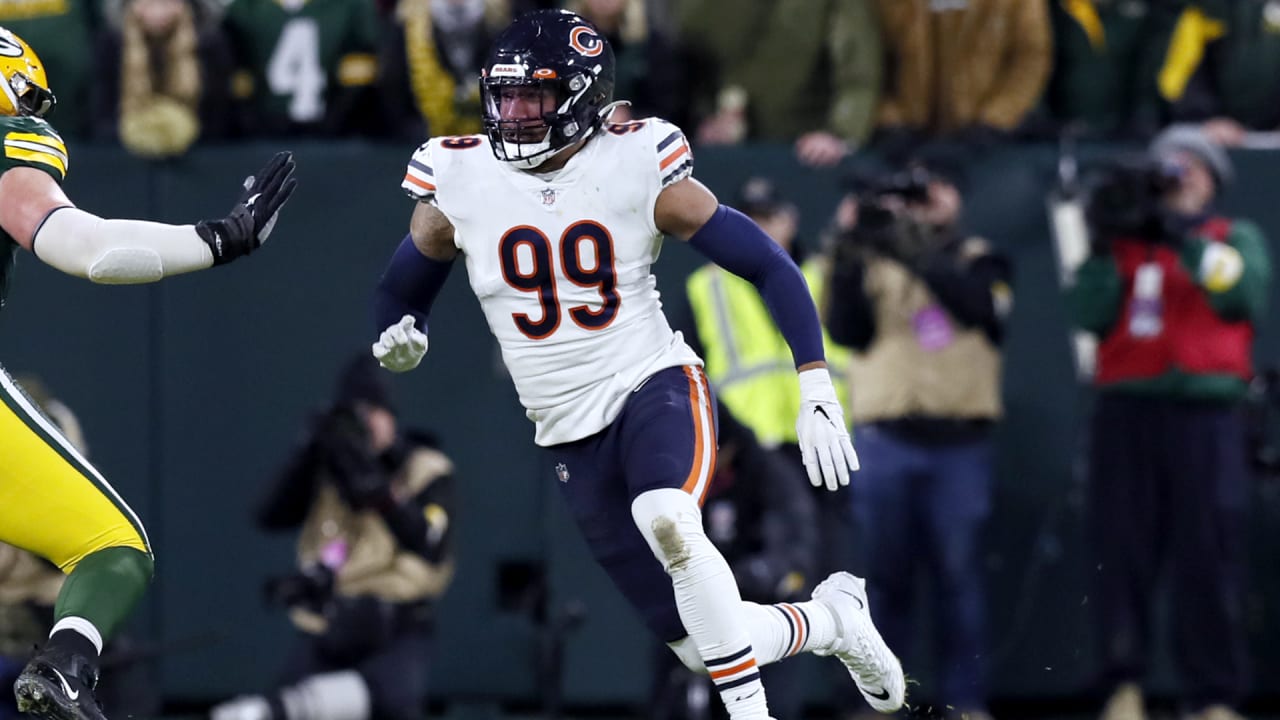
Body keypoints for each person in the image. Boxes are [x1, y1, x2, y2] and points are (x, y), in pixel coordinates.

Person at [371, 10, 904, 720]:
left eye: (535, 99)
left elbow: (768, 264)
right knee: (701, 642)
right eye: (505, 98)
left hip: (651, 384)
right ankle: (834, 621)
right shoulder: (460, 176)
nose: (515, 117)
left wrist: (815, 383)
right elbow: (399, 288)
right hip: (565, 429)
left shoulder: (637, 161)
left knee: (668, 517)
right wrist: (401, 331)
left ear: (584, 97)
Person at [0, 25, 297, 720]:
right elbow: (88, 248)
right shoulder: (12, 143)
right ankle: (67, 664)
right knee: (114, 549)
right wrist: (219, 238)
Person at [1065, 126, 1270, 720]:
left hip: (1206, 418)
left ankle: (1213, 695)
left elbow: (1241, 295)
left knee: (1208, 557)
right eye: (1166, 170)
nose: (1177, 179)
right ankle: (1121, 686)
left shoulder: (1233, 238)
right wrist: (1105, 245)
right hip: (1128, 412)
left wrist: (1185, 238)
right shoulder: (1124, 247)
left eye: (1190, 169)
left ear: (1211, 182)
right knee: (1121, 553)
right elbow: (1089, 313)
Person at [825, 160, 1011, 720]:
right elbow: (846, 330)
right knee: (883, 581)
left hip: (960, 443)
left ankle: (966, 702)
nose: (923, 198)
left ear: (957, 196)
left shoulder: (980, 257)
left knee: (960, 580)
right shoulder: (869, 259)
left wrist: (911, 246)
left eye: (936, 186)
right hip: (886, 440)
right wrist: (850, 243)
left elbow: (979, 306)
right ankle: (882, 705)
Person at [210, 354, 455, 720]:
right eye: (355, 413)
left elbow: (429, 543)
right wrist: (308, 450)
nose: (364, 424)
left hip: (394, 625)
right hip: (328, 621)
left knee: (389, 699)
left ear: (390, 416)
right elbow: (269, 515)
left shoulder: (425, 468)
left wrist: (376, 488)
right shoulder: (330, 464)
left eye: (373, 411)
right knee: (286, 702)